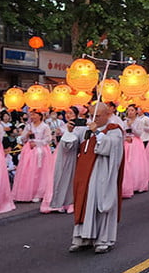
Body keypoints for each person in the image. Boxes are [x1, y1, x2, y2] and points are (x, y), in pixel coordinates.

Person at [67, 103, 125, 254]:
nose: (94, 119)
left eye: (97, 116)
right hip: (84, 172)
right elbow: (69, 147)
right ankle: (82, 237)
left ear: (107, 115)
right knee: (84, 201)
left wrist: (98, 133)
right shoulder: (85, 129)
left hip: (102, 172)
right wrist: (70, 132)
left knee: (101, 203)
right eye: (91, 115)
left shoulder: (114, 130)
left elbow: (111, 148)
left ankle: (103, 240)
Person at [11, 110, 54, 203]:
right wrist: (27, 134)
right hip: (29, 150)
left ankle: (39, 193)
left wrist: (38, 143)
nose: (32, 117)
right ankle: (26, 192)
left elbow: (48, 139)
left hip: (41, 150)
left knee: (40, 172)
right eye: (31, 115)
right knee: (28, 171)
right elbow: (22, 139)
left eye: (34, 115)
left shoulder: (45, 126)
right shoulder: (28, 126)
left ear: (40, 116)